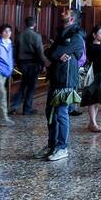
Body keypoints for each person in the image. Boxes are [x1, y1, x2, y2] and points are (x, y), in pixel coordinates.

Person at [38, 9, 84, 162]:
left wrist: (56, 53)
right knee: (50, 113)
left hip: (66, 79)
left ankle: (62, 147)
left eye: (67, 12)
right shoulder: (61, 34)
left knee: (61, 113)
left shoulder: (76, 37)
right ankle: (52, 145)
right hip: (56, 77)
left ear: (72, 19)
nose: (62, 12)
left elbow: (56, 51)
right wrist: (56, 54)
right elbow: (50, 51)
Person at [11, 17, 46, 116]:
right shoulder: (36, 36)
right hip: (33, 64)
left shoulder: (19, 36)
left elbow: (16, 51)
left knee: (23, 85)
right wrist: (43, 64)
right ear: (35, 24)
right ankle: (27, 109)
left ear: (25, 24)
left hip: (22, 64)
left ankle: (13, 106)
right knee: (31, 87)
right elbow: (40, 52)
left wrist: (18, 63)